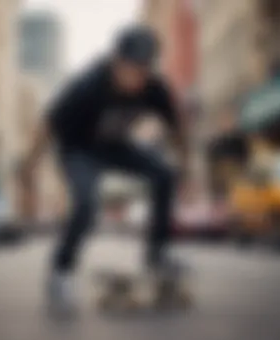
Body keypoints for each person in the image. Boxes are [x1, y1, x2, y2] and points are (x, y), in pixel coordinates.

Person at [22, 25, 190, 313]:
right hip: (78, 150)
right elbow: (47, 124)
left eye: (142, 71)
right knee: (86, 204)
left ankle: (157, 254)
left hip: (116, 147)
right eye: (129, 70)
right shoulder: (87, 84)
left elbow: (177, 128)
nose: (135, 79)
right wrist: (28, 166)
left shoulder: (155, 88)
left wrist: (184, 164)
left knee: (164, 174)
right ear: (115, 61)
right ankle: (61, 271)